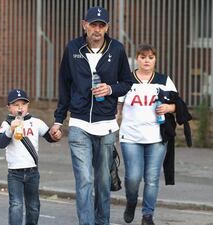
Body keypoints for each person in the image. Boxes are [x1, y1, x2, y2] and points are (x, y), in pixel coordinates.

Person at [49, 6, 133, 225]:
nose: (97, 29)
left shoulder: (117, 49)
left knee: (103, 182)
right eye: (93, 24)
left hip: (106, 125)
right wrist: (59, 120)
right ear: (83, 24)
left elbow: (127, 83)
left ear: (107, 28)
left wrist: (111, 89)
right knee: (85, 179)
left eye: (101, 25)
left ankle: (101, 221)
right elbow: (64, 85)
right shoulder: (73, 48)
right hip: (79, 124)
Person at [117, 43, 177, 225]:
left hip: (157, 138)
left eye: (150, 57)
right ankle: (131, 201)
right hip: (131, 137)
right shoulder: (126, 80)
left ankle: (147, 215)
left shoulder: (164, 80)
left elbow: (178, 105)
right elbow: (117, 107)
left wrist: (168, 107)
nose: (146, 61)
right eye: (143, 57)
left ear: (155, 60)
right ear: (137, 59)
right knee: (133, 177)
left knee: (151, 179)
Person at [0, 89, 62, 225]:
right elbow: (0, 143)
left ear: (28, 105)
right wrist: (11, 130)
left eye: (23, 104)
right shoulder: (7, 124)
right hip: (15, 173)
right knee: (16, 205)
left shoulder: (36, 122)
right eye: (16, 105)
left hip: (32, 171)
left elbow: (49, 136)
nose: (20, 107)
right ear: (9, 107)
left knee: (33, 206)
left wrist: (56, 135)